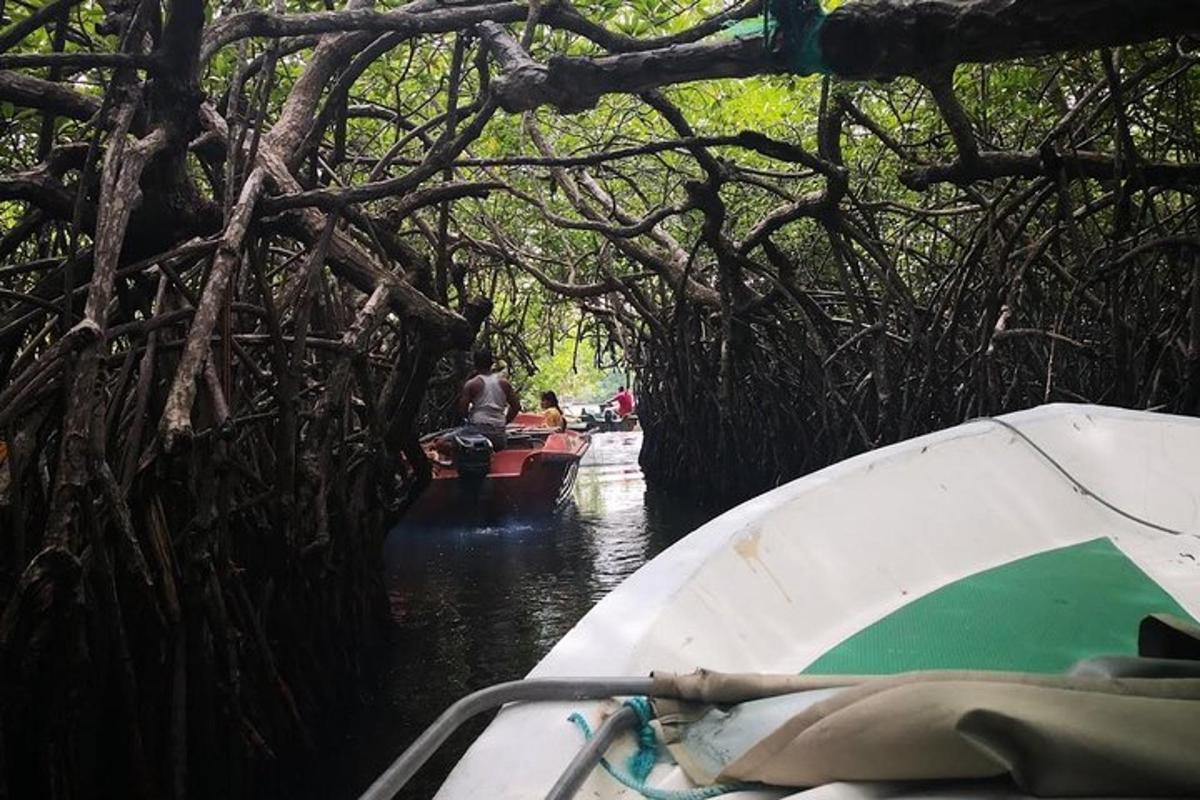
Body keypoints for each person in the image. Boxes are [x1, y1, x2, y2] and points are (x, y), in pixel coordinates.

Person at [456, 348, 521, 449]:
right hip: (499, 433)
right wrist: (504, 422)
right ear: (491, 364)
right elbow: (516, 407)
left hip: (477, 431)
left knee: (441, 442)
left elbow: (462, 410)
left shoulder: (471, 384)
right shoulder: (504, 383)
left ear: (475, 364)